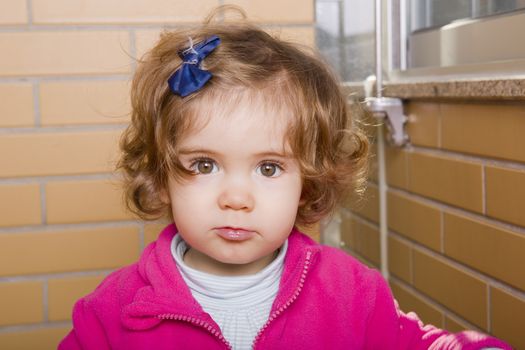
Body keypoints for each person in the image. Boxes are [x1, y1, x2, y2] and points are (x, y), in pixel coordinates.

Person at [58, 7, 511, 350]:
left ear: (308, 183)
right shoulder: (113, 313)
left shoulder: (353, 292)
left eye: (269, 168)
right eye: (204, 165)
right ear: (161, 176)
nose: (236, 198)